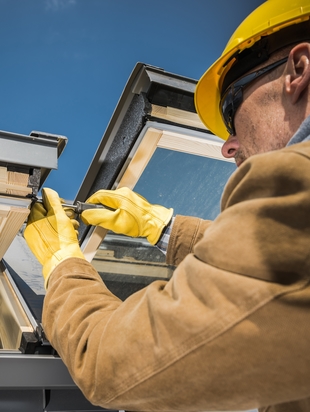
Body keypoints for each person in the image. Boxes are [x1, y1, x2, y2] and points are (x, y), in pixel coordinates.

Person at [24, 1, 310, 411]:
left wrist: (64, 265)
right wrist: (163, 228)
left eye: (231, 106)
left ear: (298, 70)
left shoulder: (297, 189)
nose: (228, 146)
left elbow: (115, 365)